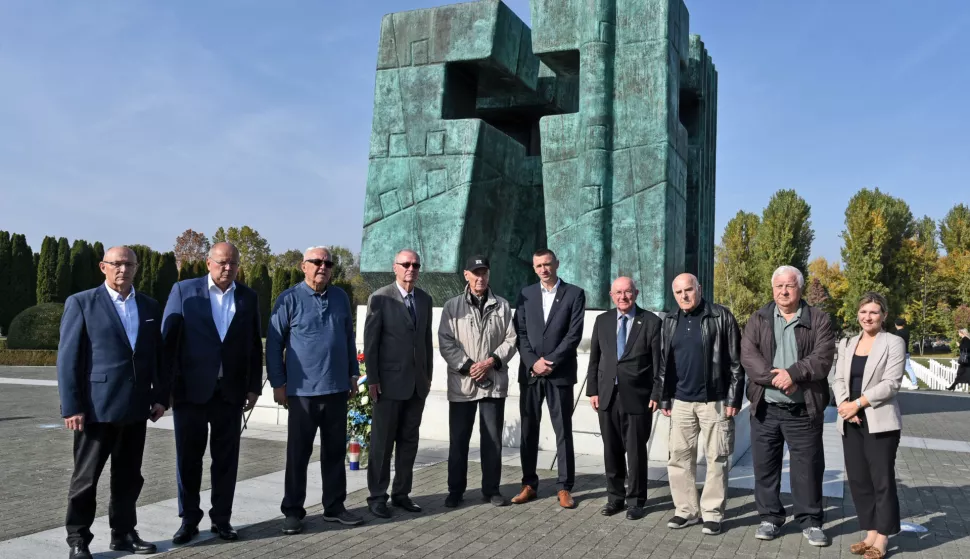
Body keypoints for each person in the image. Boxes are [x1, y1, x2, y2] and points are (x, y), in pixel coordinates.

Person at [57, 246, 168, 559]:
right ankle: (78, 540)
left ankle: (123, 534)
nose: (123, 269)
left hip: (136, 408)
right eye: (116, 264)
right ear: (103, 267)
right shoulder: (81, 303)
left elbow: (157, 356)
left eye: (129, 264)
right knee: (86, 480)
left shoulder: (148, 305)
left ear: (136, 268)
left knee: (129, 477)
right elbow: (68, 359)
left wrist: (159, 396)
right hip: (95, 409)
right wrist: (72, 406)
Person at [162, 242, 263, 544]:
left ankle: (222, 519)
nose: (227, 268)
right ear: (208, 263)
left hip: (229, 393)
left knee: (226, 461)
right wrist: (164, 390)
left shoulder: (247, 297)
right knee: (188, 460)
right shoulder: (184, 291)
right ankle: (188, 519)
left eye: (232, 263)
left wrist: (254, 387)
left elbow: (254, 346)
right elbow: (168, 343)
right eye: (221, 262)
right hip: (190, 392)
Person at [267, 246, 365, 533]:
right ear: (303, 266)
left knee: (335, 453)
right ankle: (293, 511)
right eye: (317, 262)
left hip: (336, 390)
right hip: (302, 392)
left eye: (328, 263)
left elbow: (348, 338)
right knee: (298, 454)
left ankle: (334, 507)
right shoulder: (289, 299)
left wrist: (351, 374)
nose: (323, 266)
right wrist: (278, 383)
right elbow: (274, 343)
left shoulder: (340, 298)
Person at [740, 265, 836, 547]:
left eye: (789, 286)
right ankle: (770, 517)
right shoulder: (759, 318)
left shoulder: (819, 319)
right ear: (773, 289)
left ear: (799, 288)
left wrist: (793, 374)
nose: (783, 291)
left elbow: (823, 357)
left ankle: (810, 521)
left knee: (807, 469)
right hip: (765, 408)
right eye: (779, 286)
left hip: (802, 409)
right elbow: (749, 356)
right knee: (765, 467)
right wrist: (779, 379)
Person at [660, 273, 744, 535]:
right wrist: (664, 395)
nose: (684, 296)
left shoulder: (721, 316)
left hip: (715, 400)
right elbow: (665, 363)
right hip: (681, 401)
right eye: (678, 292)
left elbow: (735, 361)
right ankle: (686, 510)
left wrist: (734, 397)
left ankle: (712, 513)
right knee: (678, 458)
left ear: (699, 288)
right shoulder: (670, 321)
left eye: (688, 290)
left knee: (716, 457)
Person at [438, 255, 518, 508]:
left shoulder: (503, 306)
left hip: (493, 383)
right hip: (462, 384)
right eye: (475, 273)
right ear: (466, 275)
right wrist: (469, 367)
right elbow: (446, 341)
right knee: (459, 441)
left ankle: (491, 489)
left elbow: (511, 339)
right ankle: (455, 490)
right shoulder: (452, 306)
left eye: (484, 272)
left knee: (492, 440)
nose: (480, 277)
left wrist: (491, 362)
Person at [511, 249, 586, 508]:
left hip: (559, 373)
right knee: (528, 430)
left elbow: (573, 335)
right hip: (531, 374)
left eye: (548, 264)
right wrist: (533, 362)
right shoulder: (526, 294)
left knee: (563, 430)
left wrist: (550, 361)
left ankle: (564, 487)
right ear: (534, 268)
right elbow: (520, 332)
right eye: (539, 265)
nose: (544, 269)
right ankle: (529, 484)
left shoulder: (575, 294)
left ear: (557, 263)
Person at [831, 292, 904, 559]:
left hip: (880, 422)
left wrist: (858, 404)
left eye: (873, 312)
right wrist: (845, 407)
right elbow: (838, 378)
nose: (867, 317)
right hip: (850, 421)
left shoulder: (893, 343)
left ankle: (882, 539)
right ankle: (870, 532)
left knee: (881, 480)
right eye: (863, 312)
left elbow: (891, 384)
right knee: (859, 480)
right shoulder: (848, 343)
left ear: (883, 315)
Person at [364, 249, 433, 518]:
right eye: (406, 264)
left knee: (408, 441)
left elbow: (425, 341)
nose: (411, 268)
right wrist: (373, 379)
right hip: (388, 384)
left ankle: (401, 494)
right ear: (395, 267)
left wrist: (427, 376)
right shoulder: (380, 298)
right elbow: (371, 342)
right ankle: (377, 496)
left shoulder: (425, 299)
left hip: (416, 386)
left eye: (416, 264)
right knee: (382, 443)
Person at [586, 277, 661, 520]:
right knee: (612, 449)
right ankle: (615, 498)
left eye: (627, 292)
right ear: (611, 294)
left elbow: (660, 364)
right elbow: (595, 360)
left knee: (636, 451)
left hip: (638, 397)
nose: (623, 297)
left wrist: (656, 393)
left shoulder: (651, 322)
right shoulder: (602, 320)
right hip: (608, 396)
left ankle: (636, 500)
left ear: (636, 293)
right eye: (618, 293)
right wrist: (593, 390)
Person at [892, 318, 918, 390]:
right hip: (905, 351)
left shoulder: (897, 333)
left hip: (898, 353)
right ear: (903, 324)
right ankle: (914, 383)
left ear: (896, 324)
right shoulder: (907, 332)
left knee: (894, 368)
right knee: (909, 368)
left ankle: (894, 384)